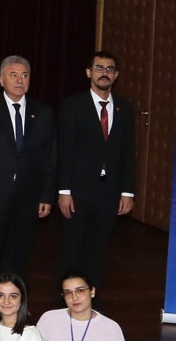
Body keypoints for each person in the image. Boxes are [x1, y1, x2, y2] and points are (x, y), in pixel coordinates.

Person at [0, 55, 57, 293]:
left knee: (21, 257)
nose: (19, 80)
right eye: (13, 75)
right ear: (1, 79)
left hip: (28, 197)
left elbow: (50, 157)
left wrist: (46, 196)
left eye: (24, 75)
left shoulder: (43, 112)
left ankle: (16, 304)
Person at [55, 51, 136, 288]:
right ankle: (66, 297)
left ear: (116, 75)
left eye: (109, 69)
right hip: (77, 192)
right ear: (89, 72)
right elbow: (64, 150)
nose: (104, 73)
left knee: (98, 250)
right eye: (99, 68)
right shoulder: (72, 106)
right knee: (71, 249)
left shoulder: (124, 108)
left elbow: (129, 152)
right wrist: (64, 190)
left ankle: (92, 296)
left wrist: (128, 192)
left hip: (109, 192)